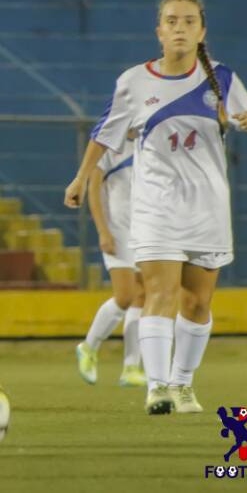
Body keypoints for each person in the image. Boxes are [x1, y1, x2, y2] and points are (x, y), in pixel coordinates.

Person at [64, 0, 247, 415]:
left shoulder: (222, 79)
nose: (180, 28)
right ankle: (157, 388)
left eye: (189, 21)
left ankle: (183, 384)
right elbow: (104, 134)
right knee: (158, 293)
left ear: (202, 31)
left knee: (198, 303)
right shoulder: (134, 82)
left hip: (208, 209)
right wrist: (82, 177)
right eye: (172, 21)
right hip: (155, 207)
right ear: (159, 31)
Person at [75, 135, 146, 387]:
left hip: (144, 229)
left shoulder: (148, 142)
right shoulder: (107, 146)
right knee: (125, 295)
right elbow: (93, 189)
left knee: (142, 296)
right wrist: (103, 230)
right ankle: (88, 347)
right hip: (117, 230)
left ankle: (131, 368)